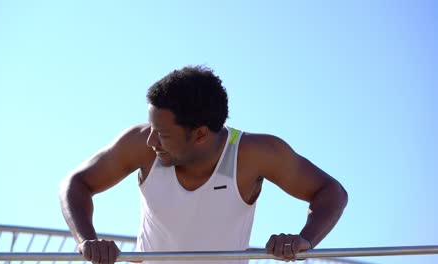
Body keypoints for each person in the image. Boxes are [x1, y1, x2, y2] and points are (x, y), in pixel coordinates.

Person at [59, 65, 348, 264]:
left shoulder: (255, 153)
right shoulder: (140, 145)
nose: (151, 141)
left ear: (199, 134)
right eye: (151, 127)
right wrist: (87, 240)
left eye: (163, 134)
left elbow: (331, 192)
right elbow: (75, 184)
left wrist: (305, 241)